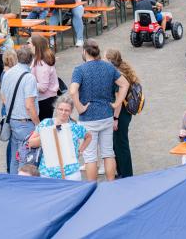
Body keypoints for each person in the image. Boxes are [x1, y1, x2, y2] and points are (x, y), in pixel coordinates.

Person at [70, 40, 129, 181]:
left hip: (88, 118)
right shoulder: (108, 68)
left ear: (84, 52)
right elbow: (124, 84)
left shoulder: (80, 70)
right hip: (106, 116)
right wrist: (116, 103)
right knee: (108, 153)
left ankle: (92, 188)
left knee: (90, 157)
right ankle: (111, 184)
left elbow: (73, 91)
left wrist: (79, 108)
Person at [28, 95, 91, 180]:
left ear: (71, 111)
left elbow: (89, 136)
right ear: (56, 108)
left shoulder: (75, 127)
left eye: (66, 110)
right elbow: (30, 143)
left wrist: (80, 150)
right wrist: (50, 135)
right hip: (47, 173)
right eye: (61, 109)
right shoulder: (46, 123)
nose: (63, 112)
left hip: (71, 173)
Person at [1, 46, 40, 174]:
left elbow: (4, 98)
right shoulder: (29, 77)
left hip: (12, 120)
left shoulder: (7, 74)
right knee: (25, 158)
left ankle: (12, 182)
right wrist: (38, 124)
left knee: (14, 157)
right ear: (31, 60)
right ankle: (23, 184)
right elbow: (29, 105)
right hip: (25, 123)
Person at [104, 48, 138, 178]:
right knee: (119, 143)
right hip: (124, 112)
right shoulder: (121, 70)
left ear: (109, 60)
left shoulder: (116, 75)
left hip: (120, 113)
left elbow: (119, 98)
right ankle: (123, 172)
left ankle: (126, 175)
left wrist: (115, 118)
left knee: (120, 145)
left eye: (104, 58)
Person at [29, 34, 58, 121]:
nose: (28, 45)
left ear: (35, 46)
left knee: (44, 129)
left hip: (45, 100)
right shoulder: (38, 59)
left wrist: (29, 82)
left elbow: (43, 87)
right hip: (45, 98)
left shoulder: (42, 64)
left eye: (29, 43)